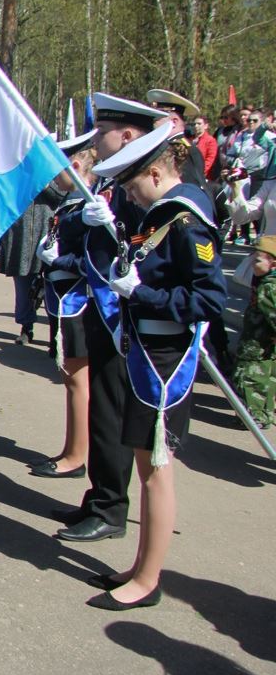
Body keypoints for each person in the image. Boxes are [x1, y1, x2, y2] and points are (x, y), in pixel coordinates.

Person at [76, 124, 224, 610]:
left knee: (156, 472)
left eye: (133, 186)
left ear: (157, 174)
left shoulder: (186, 220)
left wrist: (141, 293)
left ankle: (149, 579)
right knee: (146, 468)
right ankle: (141, 566)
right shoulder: (165, 215)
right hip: (147, 354)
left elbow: (208, 299)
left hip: (167, 365)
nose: (130, 198)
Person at [54, 93, 168, 544]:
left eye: (103, 132)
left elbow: (152, 242)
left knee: (115, 411)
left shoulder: (147, 181)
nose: (96, 140)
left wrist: (118, 225)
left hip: (129, 315)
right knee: (104, 407)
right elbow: (78, 233)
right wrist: (87, 218)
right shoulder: (110, 182)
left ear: (128, 135)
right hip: (105, 307)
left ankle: (110, 508)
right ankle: (101, 495)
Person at [32, 132, 98, 479]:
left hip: (78, 301)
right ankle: (72, 448)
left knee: (77, 380)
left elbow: (95, 262)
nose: (51, 177)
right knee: (71, 378)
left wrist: (61, 261)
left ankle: (76, 455)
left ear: (73, 165)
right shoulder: (72, 201)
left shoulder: (90, 205)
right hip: (64, 300)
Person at [0, 182, 64, 345]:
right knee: (23, 287)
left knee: (52, 287)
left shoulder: (52, 170)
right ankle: (26, 327)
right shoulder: (18, 170)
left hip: (47, 235)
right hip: (20, 235)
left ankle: (55, 333)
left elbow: (61, 196)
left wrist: (46, 183)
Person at [231, 235, 276, 429]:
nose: (253, 264)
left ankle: (255, 418)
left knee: (250, 380)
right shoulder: (265, 281)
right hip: (263, 347)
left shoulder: (268, 287)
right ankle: (262, 415)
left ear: (273, 262)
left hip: (257, 346)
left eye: (258, 259)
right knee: (263, 381)